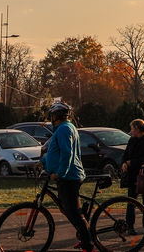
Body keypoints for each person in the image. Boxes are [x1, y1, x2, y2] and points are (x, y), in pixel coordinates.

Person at [41, 101, 91, 252]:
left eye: (52, 115)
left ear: (57, 116)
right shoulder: (64, 128)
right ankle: (84, 235)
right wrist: (41, 162)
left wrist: (59, 173)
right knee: (70, 209)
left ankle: (88, 246)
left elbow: (67, 153)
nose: (51, 118)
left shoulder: (64, 129)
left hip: (69, 177)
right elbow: (54, 152)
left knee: (74, 213)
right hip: (67, 176)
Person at [120, 118, 144, 235]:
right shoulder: (132, 140)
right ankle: (130, 226)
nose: (131, 131)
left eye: (132, 129)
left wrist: (131, 162)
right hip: (132, 175)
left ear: (138, 129)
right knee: (131, 201)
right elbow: (125, 154)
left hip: (143, 174)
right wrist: (124, 162)